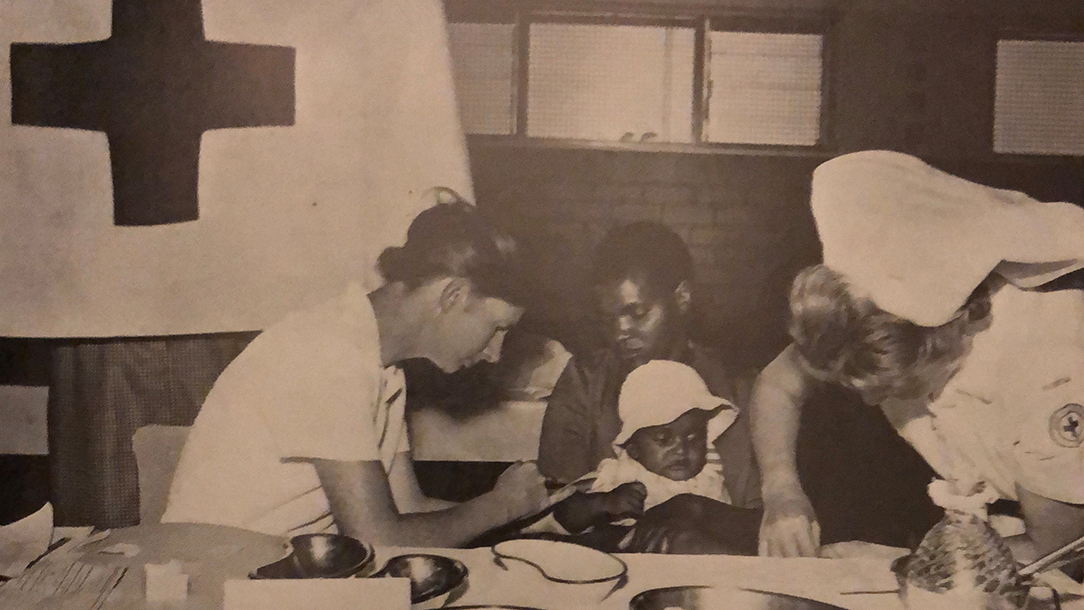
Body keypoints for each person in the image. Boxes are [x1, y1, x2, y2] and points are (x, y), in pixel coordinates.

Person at [750, 151, 1084, 579]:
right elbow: (779, 384)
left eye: (890, 386)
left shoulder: (1049, 369)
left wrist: (887, 566)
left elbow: (1058, 554)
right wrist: (781, 492)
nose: (869, 401)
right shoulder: (880, 307)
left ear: (949, 335)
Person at [162, 196, 549, 546]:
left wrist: (529, 520)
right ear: (453, 295)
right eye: (497, 328)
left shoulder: (384, 367)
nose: (496, 354)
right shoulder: (328, 354)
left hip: (283, 569)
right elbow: (375, 537)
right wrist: (503, 506)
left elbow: (408, 510)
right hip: (214, 574)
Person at [537, 221, 761, 511]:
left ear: (682, 298)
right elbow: (555, 499)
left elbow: (761, 509)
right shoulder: (586, 379)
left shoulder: (735, 383)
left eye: (638, 314)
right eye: (608, 320)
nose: (620, 333)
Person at [547, 360, 759, 555]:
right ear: (634, 448)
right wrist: (602, 503)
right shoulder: (621, 473)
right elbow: (564, 515)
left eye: (693, 438)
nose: (681, 449)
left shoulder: (710, 478)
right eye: (664, 439)